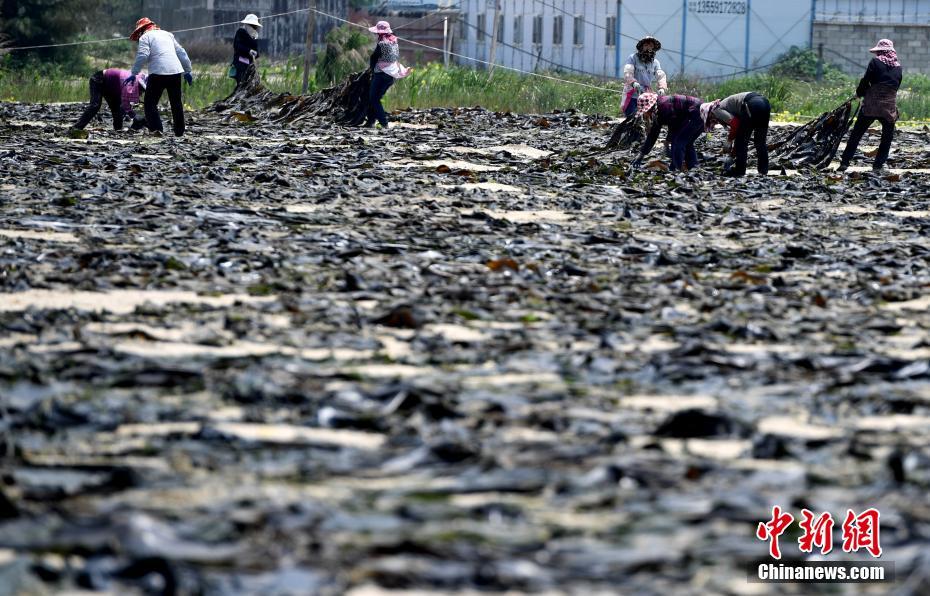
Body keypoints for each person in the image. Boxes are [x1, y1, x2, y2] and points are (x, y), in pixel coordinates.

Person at [838, 39, 903, 173]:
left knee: (856, 135)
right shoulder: (898, 67)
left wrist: (859, 93)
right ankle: (878, 166)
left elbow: (866, 80)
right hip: (888, 108)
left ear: (880, 51)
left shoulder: (875, 62)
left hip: (871, 105)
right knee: (887, 138)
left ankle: (845, 162)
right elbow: (896, 87)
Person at [125, 17, 193, 137]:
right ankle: (179, 132)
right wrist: (187, 70)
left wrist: (134, 73)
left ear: (142, 30)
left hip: (158, 73)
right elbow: (181, 52)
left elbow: (143, 55)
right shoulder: (168, 34)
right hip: (175, 72)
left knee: (150, 104)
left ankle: (157, 130)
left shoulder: (145, 37)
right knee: (176, 103)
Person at [702, 92, 771, 176]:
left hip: (750, 104)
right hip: (764, 103)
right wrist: (732, 154)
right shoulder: (726, 105)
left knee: (741, 142)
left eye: (711, 120)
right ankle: (763, 171)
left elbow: (735, 125)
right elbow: (739, 128)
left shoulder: (716, 110)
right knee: (760, 141)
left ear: (708, 114)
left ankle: (740, 171)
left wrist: (729, 141)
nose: (715, 122)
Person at [632, 92, 703, 172]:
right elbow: (653, 134)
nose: (645, 113)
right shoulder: (657, 111)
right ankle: (694, 168)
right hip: (695, 114)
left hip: (697, 112)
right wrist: (641, 154)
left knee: (678, 142)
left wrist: (668, 143)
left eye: (645, 111)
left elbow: (675, 126)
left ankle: (676, 169)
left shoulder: (663, 106)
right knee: (686, 143)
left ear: (650, 107)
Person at [365, 21, 411, 129]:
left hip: (382, 73)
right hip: (392, 74)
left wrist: (371, 70)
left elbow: (373, 57)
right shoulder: (394, 40)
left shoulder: (382, 43)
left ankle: (383, 123)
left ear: (380, 33)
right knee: (375, 98)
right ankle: (371, 121)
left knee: (373, 98)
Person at [72, 68, 147, 132]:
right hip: (99, 79)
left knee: (117, 110)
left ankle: (118, 130)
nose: (141, 92)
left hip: (112, 87)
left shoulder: (134, 82)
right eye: (141, 89)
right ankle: (76, 128)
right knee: (95, 106)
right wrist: (135, 116)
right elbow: (126, 105)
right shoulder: (130, 83)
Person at [621, 36, 668, 117]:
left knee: (646, 118)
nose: (648, 48)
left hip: (646, 95)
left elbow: (661, 75)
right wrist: (633, 82)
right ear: (641, 47)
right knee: (631, 117)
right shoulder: (633, 58)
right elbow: (628, 71)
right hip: (632, 93)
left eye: (651, 46)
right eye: (646, 45)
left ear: (654, 49)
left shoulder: (655, 63)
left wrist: (662, 88)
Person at [231, 14, 261, 86]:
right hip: (240, 63)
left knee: (249, 84)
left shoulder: (254, 36)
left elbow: (256, 50)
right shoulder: (241, 32)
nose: (253, 27)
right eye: (251, 25)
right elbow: (237, 46)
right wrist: (249, 51)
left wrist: (256, 53)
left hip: (250, 65)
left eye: (254, 26)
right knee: (241, 83)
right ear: (247, 24)